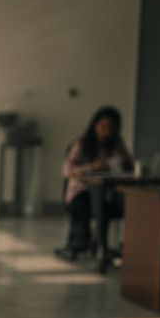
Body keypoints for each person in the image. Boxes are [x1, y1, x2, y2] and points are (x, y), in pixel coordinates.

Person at [57, 105, 133, 259]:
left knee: (121, 205)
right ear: (95, 125)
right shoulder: (81, 144)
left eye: (111, 128)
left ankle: (104, 247)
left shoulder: (117, 143)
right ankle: (81, 244)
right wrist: (92, 167)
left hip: (108, 192)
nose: (107, 131)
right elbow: (66, 170)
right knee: (88, 205)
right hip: (82, 192)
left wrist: (123, 160)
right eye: (103, 126)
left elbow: (129, 165)